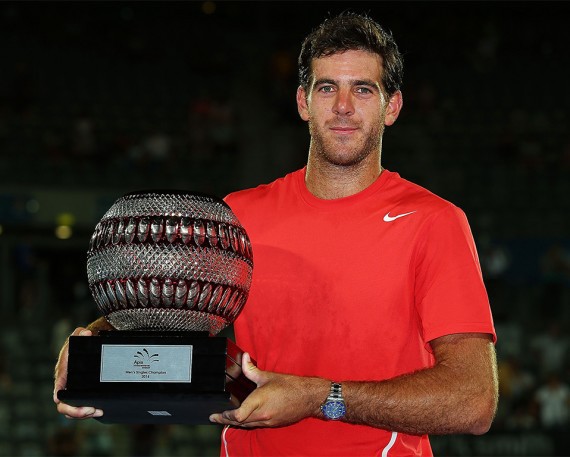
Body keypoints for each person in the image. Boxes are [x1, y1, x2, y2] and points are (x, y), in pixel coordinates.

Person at [54, 12, 498, 456]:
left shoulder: (432, 221)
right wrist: (96, 340)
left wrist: (323, 398)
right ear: (303, 101)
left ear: (393, 106)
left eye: (363, 89)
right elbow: (172, 315)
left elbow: (474, 400)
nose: (343, 105)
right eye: (327, 87)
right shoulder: (237, 216)